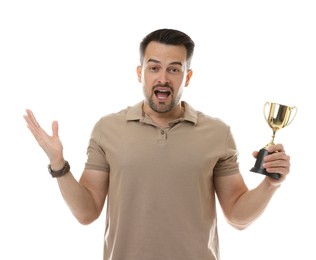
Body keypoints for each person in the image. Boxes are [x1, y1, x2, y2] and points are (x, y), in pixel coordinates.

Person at [23, 28, 290, 260]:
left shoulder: (217, 133)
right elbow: (87, 212)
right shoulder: (107, 129)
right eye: (154, 67)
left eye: (174, 69)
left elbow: (237, 216)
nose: (163, 78)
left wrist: (271, 184)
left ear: (187, 77)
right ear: (140, 73)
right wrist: (58, 164)